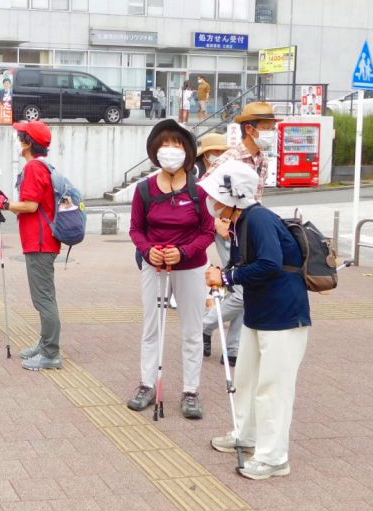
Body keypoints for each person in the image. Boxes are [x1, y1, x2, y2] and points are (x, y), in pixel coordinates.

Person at [202, 160, 311, 480]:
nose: (211, 201)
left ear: (232, 196)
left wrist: (226, 276)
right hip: (259, 313)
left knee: (273, 388)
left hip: (284, 315)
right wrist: (225, 276)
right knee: (248, 378)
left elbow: (270, 265)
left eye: (216, 195)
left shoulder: (259, 219)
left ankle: (274, 458)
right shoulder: (241, 222)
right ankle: (246, 436)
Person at [127, 119, 215, 419]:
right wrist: (147, 250)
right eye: (165, 144)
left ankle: (191, 391)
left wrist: (184, 252)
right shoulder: (144, 190)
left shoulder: (198, 192)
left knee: (192, 329)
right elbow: (136, 230)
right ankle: (147, 384)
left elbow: (207, 232)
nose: (170, 150)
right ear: (155, 151)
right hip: (154, 267)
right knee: (152, 327)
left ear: (188, 152)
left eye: (177, 145)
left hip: (190, 268)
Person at [200, 102, 281, 365]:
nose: (273, 132)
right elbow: (205, 191)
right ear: (250, 129)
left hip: (249, 228)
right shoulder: (231, 158)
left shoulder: (263, 159)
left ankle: (232, 348)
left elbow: (256, 198)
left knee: (244, 286)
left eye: (273, 127)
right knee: (242, 290)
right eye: (268, 128)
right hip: (227, 229)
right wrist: (216, 222)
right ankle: (205, 325)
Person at [0, 120, 63, 371]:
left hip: (40, 241)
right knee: (44, 296)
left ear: (29, 142)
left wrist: (4, 204)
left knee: (43, 299)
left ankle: (51, 353)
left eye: (21, 136)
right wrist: (6, 203)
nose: (18, 140)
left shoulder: (33, 168)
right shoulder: (43, 166)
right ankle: (45, 344)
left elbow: (30, 206)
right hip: (42, 240)